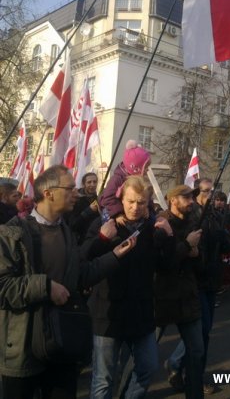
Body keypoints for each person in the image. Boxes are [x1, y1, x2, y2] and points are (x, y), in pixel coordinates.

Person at [0, 165, 134, 399]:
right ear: (49, 192)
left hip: (62, 343)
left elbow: (80, 275)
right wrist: (46, 287)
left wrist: (114, 257)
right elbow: (3, 287)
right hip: (23, 349)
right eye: (70, 188)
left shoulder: (66, 232)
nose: (77, 193)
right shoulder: (12, 233)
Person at [82, 175, 174, 399]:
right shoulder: (105, 223)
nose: (135, 207)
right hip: (108, 313)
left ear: (148, 202)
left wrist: (169, 238)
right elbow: (83, 260)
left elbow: (167, 267)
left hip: (141, 312)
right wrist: (102, 239)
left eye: (141, 202)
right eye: (130, 201)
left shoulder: (153, 228)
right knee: (103, 379)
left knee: (148, 367)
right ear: (121, 199)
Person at [155, 184, 204, 399]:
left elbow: (198, 263)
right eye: (186, 198)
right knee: (143, 359)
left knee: (196, 352)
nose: (191, 201)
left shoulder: (193, 223)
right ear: (173, 200)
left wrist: (196, 254)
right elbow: (162, 263)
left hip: (187, 297)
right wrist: (186, 245)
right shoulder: (160, 224)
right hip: (162, 298)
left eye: (191, 197)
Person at [99, 140, 151, 218]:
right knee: (108, 219)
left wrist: (148, 208)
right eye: (145, 167)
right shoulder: (117, 179)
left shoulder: (141, 181)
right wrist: (118, 214)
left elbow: (148, 197)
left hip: (129, 212)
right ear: (135, 168)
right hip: (111, 210)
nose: (147, 170)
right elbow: (109, 198)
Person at [65, 172, 100, 243]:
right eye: (89, 182)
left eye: (94, 182)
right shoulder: (75, 199)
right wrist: (89, 211)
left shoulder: (98, 200)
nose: (92, 185)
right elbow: (73, 225)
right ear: (84, 184)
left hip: (90, 239)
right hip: (77, 240)